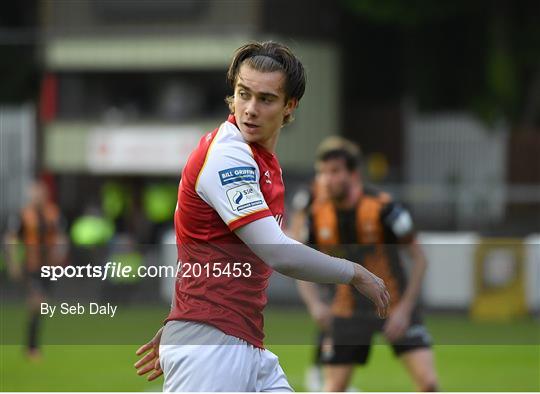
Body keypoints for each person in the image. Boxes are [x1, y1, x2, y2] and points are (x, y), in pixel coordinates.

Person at [133, 41, 390, 392]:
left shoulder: (261, 162)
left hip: (238, 339)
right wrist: (355, 273)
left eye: (265, 99)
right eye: (243, 94)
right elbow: (278, 252)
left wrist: (185, 319)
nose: (250, 109)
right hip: (213, 346)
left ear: (289, 106)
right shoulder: (229, 155)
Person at [293, 137, 439, 392]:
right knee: (333, 388)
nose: (327, 179)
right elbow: (299, 262)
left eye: (335, 172)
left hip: (394, 304)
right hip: (347, 309)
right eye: (322, 173)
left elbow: (420, 260)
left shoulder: (384, 208)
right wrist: (315, 304)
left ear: (354, 174)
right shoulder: (316, 216)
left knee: (428, 384)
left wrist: (405, 309)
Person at [4, 178, 66, 359]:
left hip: (49, 268)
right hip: (31, 267)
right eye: (35, 192)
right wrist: (13, 262)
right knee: (37, 302)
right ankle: (32, 348)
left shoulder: (53, 213)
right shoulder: (23, 215)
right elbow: (12, 239)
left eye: (41, 192)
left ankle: (31, 346)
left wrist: (60, 254)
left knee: (41, 306)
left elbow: (61, 236)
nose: (38, 196)